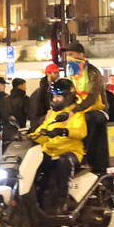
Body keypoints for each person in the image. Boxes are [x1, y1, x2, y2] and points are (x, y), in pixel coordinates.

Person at [29, 79, 88, 213]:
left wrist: (64, 131)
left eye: (58, 96)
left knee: (63, 162)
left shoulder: (75, 113)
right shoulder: (53, 114)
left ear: (67, 97)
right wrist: (31, 136)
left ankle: (63, 201)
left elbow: (81, 131)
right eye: (54, 96)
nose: (55, 99)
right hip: (50, 151)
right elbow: (43, 130)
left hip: (71, 152)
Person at [63, 42, 109, 172]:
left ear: (80, 55)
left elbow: (92, 97)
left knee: (89, 120)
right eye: (67, 55)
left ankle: (85, 155)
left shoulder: (93, 72)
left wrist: (75, 110)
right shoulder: (72, 72)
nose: (68, 58)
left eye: (71, 54)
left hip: (96, 110)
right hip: (79, 109)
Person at [29, 64, 61, 130]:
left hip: (50, 125)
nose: (58, 74)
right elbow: (34, 113)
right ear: (48, 74)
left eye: (58, 72)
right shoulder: (41, 92)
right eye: (55, 72)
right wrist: (44, 119)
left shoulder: (53, 89)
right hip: (41, 127)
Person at [1, 77, 30, 142]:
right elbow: (29, 114)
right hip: (21, 131)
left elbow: (3, 115)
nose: (25, 87)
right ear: (20, 86)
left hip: (7, 132)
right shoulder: (25, 99)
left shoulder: (6, 99)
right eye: (24, 85)